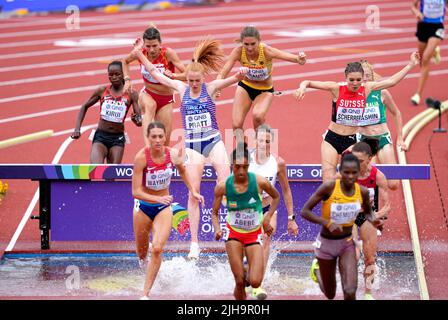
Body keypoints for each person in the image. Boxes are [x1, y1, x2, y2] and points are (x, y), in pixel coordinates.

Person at [130, 36, 249, 259]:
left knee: (227, 184)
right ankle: (194, 243)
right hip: (193, 146)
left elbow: (233, 78)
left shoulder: (210, 87)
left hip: (213, 141)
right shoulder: (182, 88)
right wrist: (139, 55)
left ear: (202, 78)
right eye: (191, 80)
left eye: (197, 81)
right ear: (188, 78)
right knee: (194, 193)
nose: (194, 84)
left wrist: (240, 74)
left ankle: (235, 232)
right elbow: (156, 75)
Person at [294, 52, 420, 182]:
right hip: (331, 138)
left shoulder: (367, 88)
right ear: (346, 78)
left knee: (354, 179)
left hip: (353, 140)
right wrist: (302, 88)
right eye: (351, 80)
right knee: (328, 180)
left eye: (358, 80)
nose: (355, 83)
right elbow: (307, 82)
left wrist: (411, 64)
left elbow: (392, 81)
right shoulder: (336, 88)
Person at [132, 121, 204, 299]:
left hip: (164, 207)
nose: (157, 140)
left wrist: (193, 191)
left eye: (160, 136)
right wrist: (157, 198)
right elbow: (135, 192)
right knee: (142, 253)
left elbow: (183, 172)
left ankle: (145, 293)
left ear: (165, 137)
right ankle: (148, 267)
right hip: (142, 207)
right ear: (148, 138)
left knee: (157, 248)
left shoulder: (173, 154)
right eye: (153, 137)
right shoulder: (141, 157)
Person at [301, 153, 380, 300]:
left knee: (350, 291)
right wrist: (326, 222)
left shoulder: (362, 192)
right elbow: (305, 211)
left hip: (347, 243)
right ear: (340, 172)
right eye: (346, 172)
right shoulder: (329, 187)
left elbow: (369, 213)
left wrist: (374, 220)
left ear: (359, 173)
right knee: (330, 293)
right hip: (326, 243)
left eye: (353, 173)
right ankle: (317, 272)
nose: (350, 177)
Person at [211, 143, 280, 300]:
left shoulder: (260, 182)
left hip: (253, 235)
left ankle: (248, 273)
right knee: (240, 281)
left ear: (249, 166)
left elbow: (276, 197)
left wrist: (267, 218)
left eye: (245, 167)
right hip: (233, 235)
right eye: (237, 167)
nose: (241, 171)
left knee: (255, 281)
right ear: (231, 166)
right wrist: (217, 229)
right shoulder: (223, 187)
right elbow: (214, 213)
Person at [216, 25, 307, 144]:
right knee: (236, 125)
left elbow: (295, 59)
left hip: (265, 90)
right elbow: (223, 71)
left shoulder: (266, 51)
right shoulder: (238, 52)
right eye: (246, 44)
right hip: (245, 87)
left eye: (253, 44)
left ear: (259, 41)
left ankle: (262, 145)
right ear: (242, 42)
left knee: (258, 116)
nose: (249, 48)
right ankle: (242, 152)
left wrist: (301, 59)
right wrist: (218, 86)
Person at [246, 123, 299, 299]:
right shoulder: (245, 159)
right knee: (248, 245)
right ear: (255, 140)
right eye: (260, 140)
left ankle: (258, 282)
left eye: (267, 141)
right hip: (246, 209)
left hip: (268, 209)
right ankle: (248, 270)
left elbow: (285, 190)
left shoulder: (278, 163)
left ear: (272, 143)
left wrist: (291, 217)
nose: (263, 145)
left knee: (266, 238)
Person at [122, 25, 186, 145]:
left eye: (155, 46)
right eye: (148, 46)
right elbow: (124, 61)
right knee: (151, 105)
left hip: (166, 99)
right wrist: (127, 80)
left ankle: (137, 115)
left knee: (164, 142)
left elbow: (187, 74)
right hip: (148, 94)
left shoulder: (168, 54)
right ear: (144, 45)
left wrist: (173, 76)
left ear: (160, 43)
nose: (151, 50)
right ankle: (147, 147)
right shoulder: (140, 53)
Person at [343, 140, 391, 300]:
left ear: (370, 159)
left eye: (361, 161)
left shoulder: (378, 176)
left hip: (367, 216)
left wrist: (379, 216)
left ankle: (368, 293)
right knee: (353, 254)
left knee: (370, 258)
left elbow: (387, 206)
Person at [71, 61, 142, 163]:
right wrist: (77, 129)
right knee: (95, 169)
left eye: (117, 74)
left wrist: (137, 120)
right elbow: (84, 106)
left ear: (124, 75)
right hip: (100, 137)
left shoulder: (132, 93)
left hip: (118, 138)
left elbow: (139, 120)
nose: (114, 77)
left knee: (111, 174)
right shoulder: (102, 90)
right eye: (111, 75)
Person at [357, 59, 407, 190]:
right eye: (363, 76)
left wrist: (400, 137)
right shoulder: (353, 95)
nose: (366, 79)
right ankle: (375, 207)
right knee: (369, 180)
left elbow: (397, 113)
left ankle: (380, 188)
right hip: (364, 141)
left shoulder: (382, 93)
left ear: (372, 76)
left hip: (382, 138)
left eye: (368, 76)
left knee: (394, 184)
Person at [410, 0, 446, 105]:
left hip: (437, 26)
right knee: (421, 59)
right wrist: (416, 12)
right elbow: (412, 5)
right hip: (423, 26)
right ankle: (435, 50)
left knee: (426, 58)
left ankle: (418, 94)